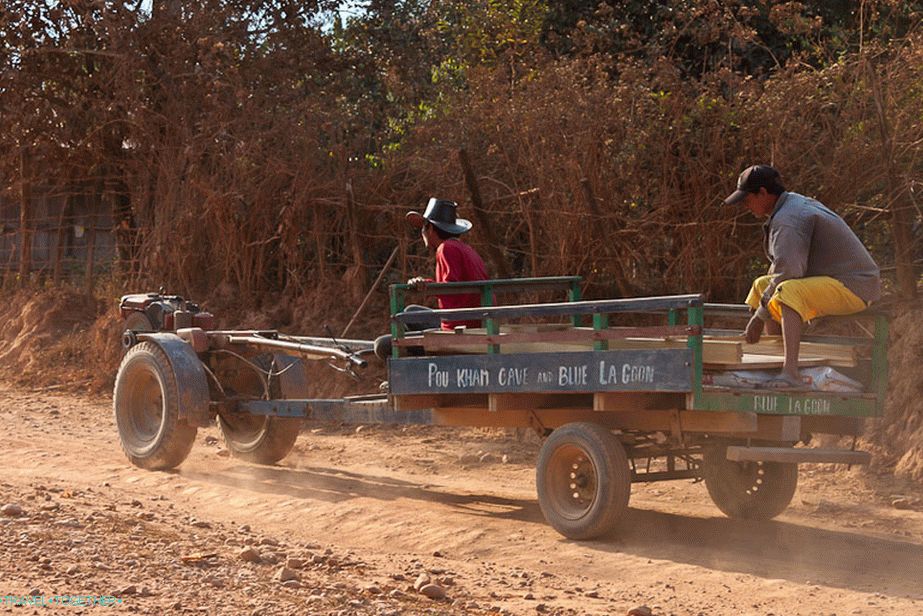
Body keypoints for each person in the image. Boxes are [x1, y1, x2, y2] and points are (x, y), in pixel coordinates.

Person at [723, 164, 881, 388]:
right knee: (761, 285)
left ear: (763, 193)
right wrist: (763, 309)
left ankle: (790, 372)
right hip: (829, 279)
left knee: (787, 290)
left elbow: (790, 272)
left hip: (856, 286)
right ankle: (774, 362)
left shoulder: (788, 219)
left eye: (747, 199)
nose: (745, 206)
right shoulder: (789, 205)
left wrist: (759, 317)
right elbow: (783, 269)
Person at [374, 198, 488, 360]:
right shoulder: (465, 249)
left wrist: (427, 286)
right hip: (472, 320)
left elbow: (451, 289)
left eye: (423, 227)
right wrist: (426, 284)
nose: (422, 233)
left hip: (458, 328)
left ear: (431, 229)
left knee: (382, 345)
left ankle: (420, 366)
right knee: (411, 312)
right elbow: (455, 286)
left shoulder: (446, 248)